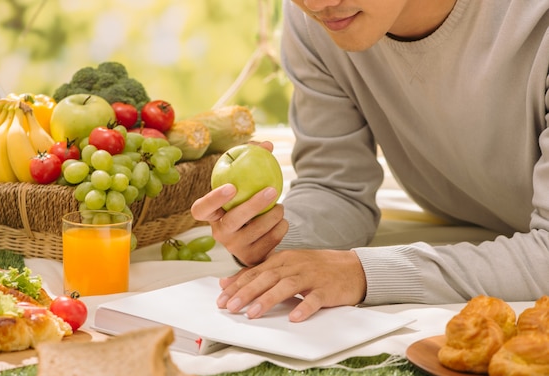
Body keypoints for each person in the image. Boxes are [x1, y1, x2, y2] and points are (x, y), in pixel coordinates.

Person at [191, 0, 549, 322]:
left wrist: (364, 273)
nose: (317, 3)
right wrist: (272, 238)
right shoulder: (316, 24)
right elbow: (337, 190)